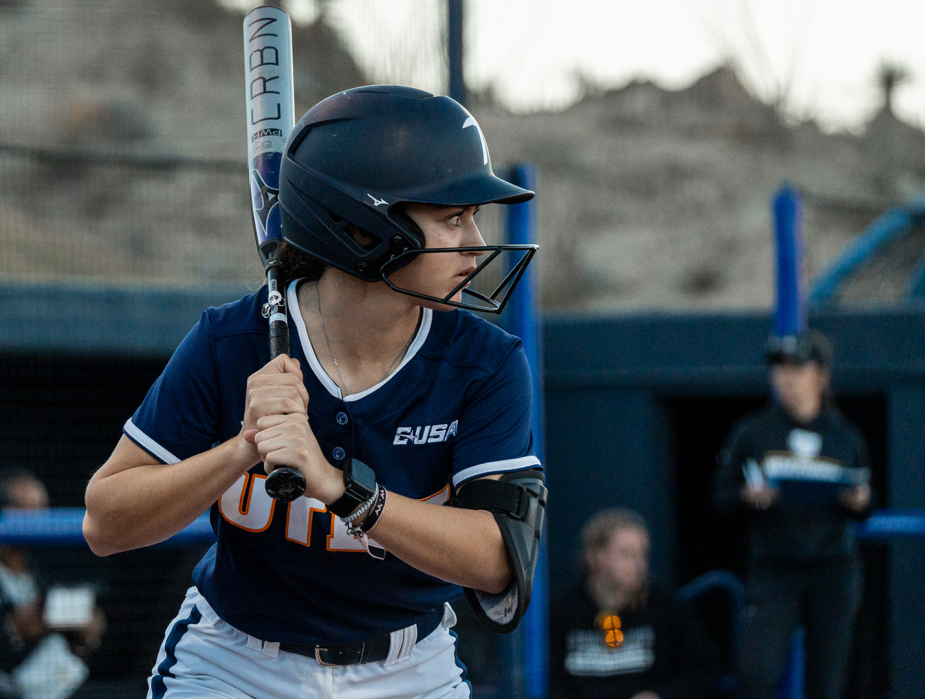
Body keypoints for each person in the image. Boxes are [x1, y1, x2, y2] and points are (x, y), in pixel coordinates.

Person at [84, 86, 548, 699]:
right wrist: (242, 449)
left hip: (410, 668)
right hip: (236, 662)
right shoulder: (232, 342)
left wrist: (347, 492)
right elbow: (105, 521)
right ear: (362, 229)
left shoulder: (485, 363)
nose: (473, 241)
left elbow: (496, 558)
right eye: (452, 217)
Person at [714, 330, 872, 699]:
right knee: (756, 674)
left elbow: (867, 505)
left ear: (820, 375)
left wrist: (858, 501)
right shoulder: (753, 432)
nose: (786, 378)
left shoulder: (844, 436)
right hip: (775, 567)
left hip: (832, 567)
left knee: (827, 682)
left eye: (797, 369)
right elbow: (720, 501)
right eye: (779, 369)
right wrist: (746, 496)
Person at [0, 468, 106, 699]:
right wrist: (11, 629)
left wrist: (84, 632)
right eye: (24, 508)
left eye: (40, 509)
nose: (35, 518)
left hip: (50, 684)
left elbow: (59, 633)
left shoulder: (42, 564)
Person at [550, 508, 719, 699]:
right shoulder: (561, 610)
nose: (638, 564)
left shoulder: (664, 604)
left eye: (642, 554)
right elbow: (547, 678)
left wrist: (659, 696)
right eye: (626, 554)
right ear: (595, 556)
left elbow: (704, 668)